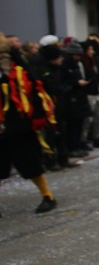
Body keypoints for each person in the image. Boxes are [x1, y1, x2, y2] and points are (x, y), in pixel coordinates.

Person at [0, 33, 58, 215]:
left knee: (29, 163)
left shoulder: (18, 70)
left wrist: (38, 118)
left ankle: (47, 196)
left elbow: (34, 91)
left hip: (18, 125)